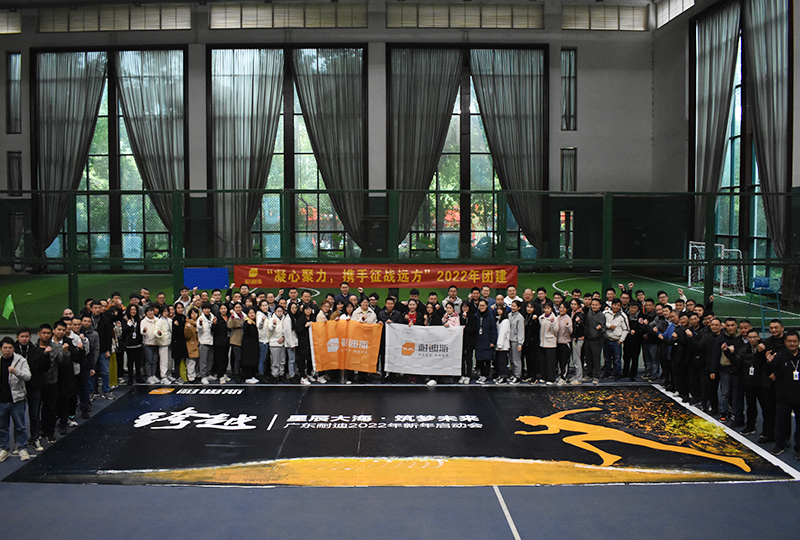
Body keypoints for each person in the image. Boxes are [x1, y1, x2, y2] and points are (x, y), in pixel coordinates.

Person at [766, 331, 800, 458]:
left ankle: (798, 448)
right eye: (789, 341)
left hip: (799, 396)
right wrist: (769, 362)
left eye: (795, 341)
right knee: (781, 423)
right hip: (783, 396)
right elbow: (770, 373)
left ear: (798, 342)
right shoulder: (779, 356)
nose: (792, 344)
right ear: (785, 342)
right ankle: (780, 444)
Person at [15, 327, 47, 451]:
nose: (24, 339)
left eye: (26, 336)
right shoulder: (13, 351)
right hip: (17, 388)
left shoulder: (37, 352)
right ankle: (19, 441)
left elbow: (44, 368)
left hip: (34, 387)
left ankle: (35, 438)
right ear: (17, 337)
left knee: (34, 414)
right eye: (22, 336)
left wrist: (46, 356)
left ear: (30, 337)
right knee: (18, 416)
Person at [0, 337, 31, 463]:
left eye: (10, 348)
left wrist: (16, 372)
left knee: (20, 426)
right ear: (1, 349)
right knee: (2, 427)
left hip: (17, 399)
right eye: (5, 348)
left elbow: (28, 376)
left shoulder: (20, 360)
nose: (7, 350)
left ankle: (22, 447)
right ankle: (4, 449)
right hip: (2, 401)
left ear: (14, 349)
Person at [602, 299, 629, 381]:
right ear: (612, 305)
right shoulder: (605, 313)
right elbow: (601, 322)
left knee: (617, 359)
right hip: (606, 339)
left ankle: (617, 374)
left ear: (620, 306)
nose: (616, 307)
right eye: (615, 305)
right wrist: (609, 326)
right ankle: (607, 372)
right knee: (607, 358)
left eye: (618, 305)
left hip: (616, 341)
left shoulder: (623, 316)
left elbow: (626, 329)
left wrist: (621, 340)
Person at [474, 300, 497, 385]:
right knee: (479, 359)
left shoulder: (490, 317)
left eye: (483, 305)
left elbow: (493, 330)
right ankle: (482, 374)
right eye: (480, 306)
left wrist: (492, 341)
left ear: (487, 306)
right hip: (478, 340)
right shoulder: (476, 316)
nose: (482, 307)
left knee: (487, 359)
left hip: (487, 340)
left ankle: (486, 376)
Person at [584, 298, 605, 384]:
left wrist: (600, 329)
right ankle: (589, 374)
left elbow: (604, 329)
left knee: (596, 359)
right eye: (593, 305)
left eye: (596, 305)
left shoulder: (601, 316)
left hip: (597, 340)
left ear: (599, 306)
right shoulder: (589, 312)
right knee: (588, 358)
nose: (594, 306)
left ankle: (596, 376)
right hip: (588, 339)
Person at [121, 304, 143, 385]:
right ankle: (130, 378)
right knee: (130, 362)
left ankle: (138, 377)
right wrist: (128, 325)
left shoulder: (139, 319)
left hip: (138, 344)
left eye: (134, 309)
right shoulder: (125, 319)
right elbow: (124, 332)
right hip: (129, 344)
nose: (133, 311)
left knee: (138, 361)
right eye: (131, 309)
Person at [538, 303, 558, 385]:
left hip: (550, 343)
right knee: (543, 361)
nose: (546, 310)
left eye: (548, 308)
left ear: (551, 309)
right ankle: (544, 377)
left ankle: (551, 378)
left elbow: (556, 330)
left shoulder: (554, 318)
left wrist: (552, 322)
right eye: (545, 308)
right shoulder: (541, 317)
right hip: (542, 343)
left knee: (550, 362)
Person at [458, 303, 478, 385]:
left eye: (466, 307)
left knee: (469, 358)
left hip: (470, 341)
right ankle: (462, 374)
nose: (465, 308)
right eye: (463, 307)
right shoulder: (459, 316)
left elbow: (474, 329)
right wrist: (463, 319)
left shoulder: (473, 317)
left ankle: (468, 375)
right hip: (460, 341)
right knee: (462, 358)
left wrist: (466, 327)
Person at [140, 306, 160, 384]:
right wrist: (144, 331)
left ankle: (154, 375)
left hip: (156, 342)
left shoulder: (157, 320)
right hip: (147, 343)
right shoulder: (143, 321)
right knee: (149, 360)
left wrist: (159, 332)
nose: (150, 313)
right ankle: (149, 376)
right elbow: (142, 332)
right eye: (148, 311)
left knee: (155, 360)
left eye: (151, 311)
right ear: (146, 313)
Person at [268, 306, 288, 383]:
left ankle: (281, 374)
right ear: (275, 312)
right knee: (275, 361)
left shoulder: (285, 319)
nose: (280, 313)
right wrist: (274, 324)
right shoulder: (271, 320)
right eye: (278, 311)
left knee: (282, 361)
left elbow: (286, 330)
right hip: (274, 343)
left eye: (281, 311)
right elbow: (270, 330)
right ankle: (275, 375)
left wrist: (283, 337)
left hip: (283, 343)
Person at [212, 304, 231, 383]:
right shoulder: (217, 318)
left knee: (226, 359)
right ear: (219, 310)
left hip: (227, 342)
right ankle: (220, 375)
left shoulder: (229, 317)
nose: (223, 310)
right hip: (219, 342)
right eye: (222, 308)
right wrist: (214, 324)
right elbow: (213, 330)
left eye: (225, 308)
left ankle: (224, 373)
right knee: (220, 360)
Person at [197, 303, 215, 384]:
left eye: (208, 309)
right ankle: (203, 376)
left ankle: (208, 374)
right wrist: (200, 324)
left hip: (211, 341)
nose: (207, 310)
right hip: (204, 342)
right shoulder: (200, 319)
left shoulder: (212, 317)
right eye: (205, 309)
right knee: (203, 360)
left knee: (210, 359)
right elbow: (199, 330)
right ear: (202, 310)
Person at [555, 303, 573, 385]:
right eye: (560, 308)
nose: (561, 309)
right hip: (557, 343)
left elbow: (571, 331)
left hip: (565, 343)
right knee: (559, 361)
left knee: (564, 361)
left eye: (563, 308)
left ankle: (564, 378)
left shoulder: (568, 318)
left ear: (567, 309)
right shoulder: (557, 317)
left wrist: (567, 325)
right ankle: (560, 375)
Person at [241, 307, 260, 384]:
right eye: (250, 313)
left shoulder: (254, 322)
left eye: (253, 313)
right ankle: (247, 377)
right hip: (248, 346)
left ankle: (252, 376)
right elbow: (244, 330)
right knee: (247, 361)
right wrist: (248, 325)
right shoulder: (247, 322)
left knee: (253, 361)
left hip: (253, 345)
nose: (252, 314)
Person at [171, 302, 188, 384]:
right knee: (177, 360)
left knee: (183, 359)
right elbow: (177, 332)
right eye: (178, 308)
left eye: (181, 307)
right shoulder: (175, 319)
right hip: (176, 343)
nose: (180, 309)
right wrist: (176, 326)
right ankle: (177, 377)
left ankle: (183, 376)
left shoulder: (184, 317)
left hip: (183, 342)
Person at [227, 303, 245, 384]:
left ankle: (241, 372)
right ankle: (236, 374)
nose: (238, 309)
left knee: (241, 358)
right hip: (235, 340)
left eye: (239, 307)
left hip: (243, 340)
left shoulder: (244, 316)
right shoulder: (233, 316)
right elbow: (230, 325)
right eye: (236, 307)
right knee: (237, 358)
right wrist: (232, 316)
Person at [569, 299, 584, 385]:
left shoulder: (580, 315)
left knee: (577, 359)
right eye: (572, 304)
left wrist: (579, 322)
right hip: (574, 338)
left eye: (575, 304)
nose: (573, 305)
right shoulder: (573, 313)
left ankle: (579, 378)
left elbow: (583, 326)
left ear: (578, 305)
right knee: (574, 359)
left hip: (578, 339)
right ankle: (576, 375)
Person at [494, 307, 510, 385]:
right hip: (498, 345)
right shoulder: (499, 320)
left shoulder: (505, 321)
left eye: (500, 309)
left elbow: (502, 333)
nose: (499, 311)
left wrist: (500, 344)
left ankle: (504, 377)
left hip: (503, 346)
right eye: (498, 309)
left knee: (502, 362)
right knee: (499, 362)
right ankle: (500, 376)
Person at [183, 308, 200, 383]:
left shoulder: (199, 321)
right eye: (192, 313)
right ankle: (191, 377)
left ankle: (197, 374)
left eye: (195, 313)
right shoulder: (188, 324)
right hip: (191, 344)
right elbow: (187, 336)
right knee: (191, 362)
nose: (194, 315)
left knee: (197, 362)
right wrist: (188, 329)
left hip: (198, 344)